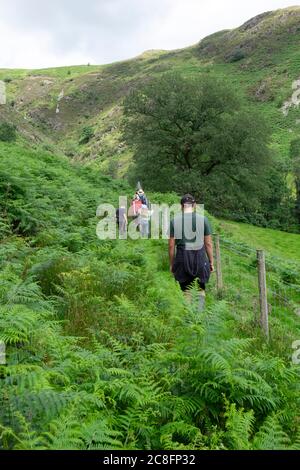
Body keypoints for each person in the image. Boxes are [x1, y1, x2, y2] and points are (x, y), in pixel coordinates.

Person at [168, 194, 214, 310]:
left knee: (186, 289)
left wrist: (172, 264)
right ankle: (198, 316)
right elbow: (208, 244)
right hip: (200, 256)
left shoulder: (174, 221)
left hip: (182, 257)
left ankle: (189, 318)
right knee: (200, 288)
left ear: (181, 206)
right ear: (194, 205)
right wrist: (211, 262)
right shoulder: (203, 219)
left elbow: (171, 245)